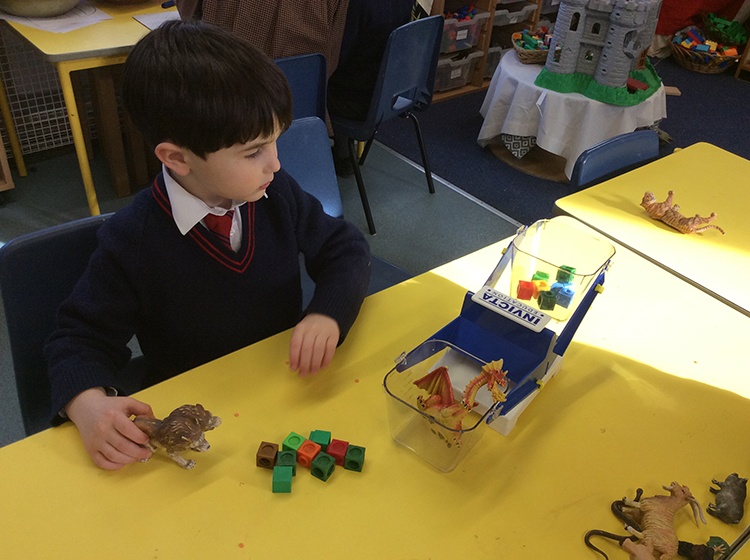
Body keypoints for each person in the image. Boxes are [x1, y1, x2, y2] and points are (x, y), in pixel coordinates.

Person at [44, 20, 371, 471]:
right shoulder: (133, 240)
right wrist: (87, 405)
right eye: (254, 151)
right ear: (177, 158)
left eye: (276, 142)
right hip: (203, 429)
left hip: (286, 391)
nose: (276, 163)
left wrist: (326, 312)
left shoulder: (274, 193)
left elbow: (346, 248)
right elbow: (77, 340)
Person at [327, 0, 415, 176]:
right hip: (391, 94)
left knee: (309, 85)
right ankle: (343, 151)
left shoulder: (356, 5)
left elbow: (337, 56)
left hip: (358, 101)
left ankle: (340, 155)